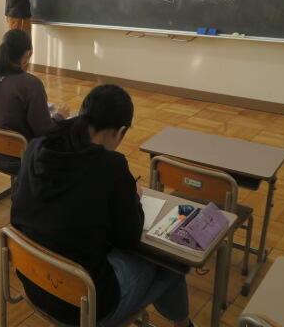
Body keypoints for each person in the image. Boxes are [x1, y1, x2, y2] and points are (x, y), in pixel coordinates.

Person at [11, 85, 196, 327]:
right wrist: (133, 197)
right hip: (83, 306)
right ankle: (184, 325)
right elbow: (128, 238)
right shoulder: (110, 166)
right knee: (171, 263)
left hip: (34, 282)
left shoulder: (36, 146)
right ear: (120, 132)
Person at [0, 29, 69, 175]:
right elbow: (44, 131)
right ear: (28, 54)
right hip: (22, 158)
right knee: (68, 135)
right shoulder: (31, 84)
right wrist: (60, 116)